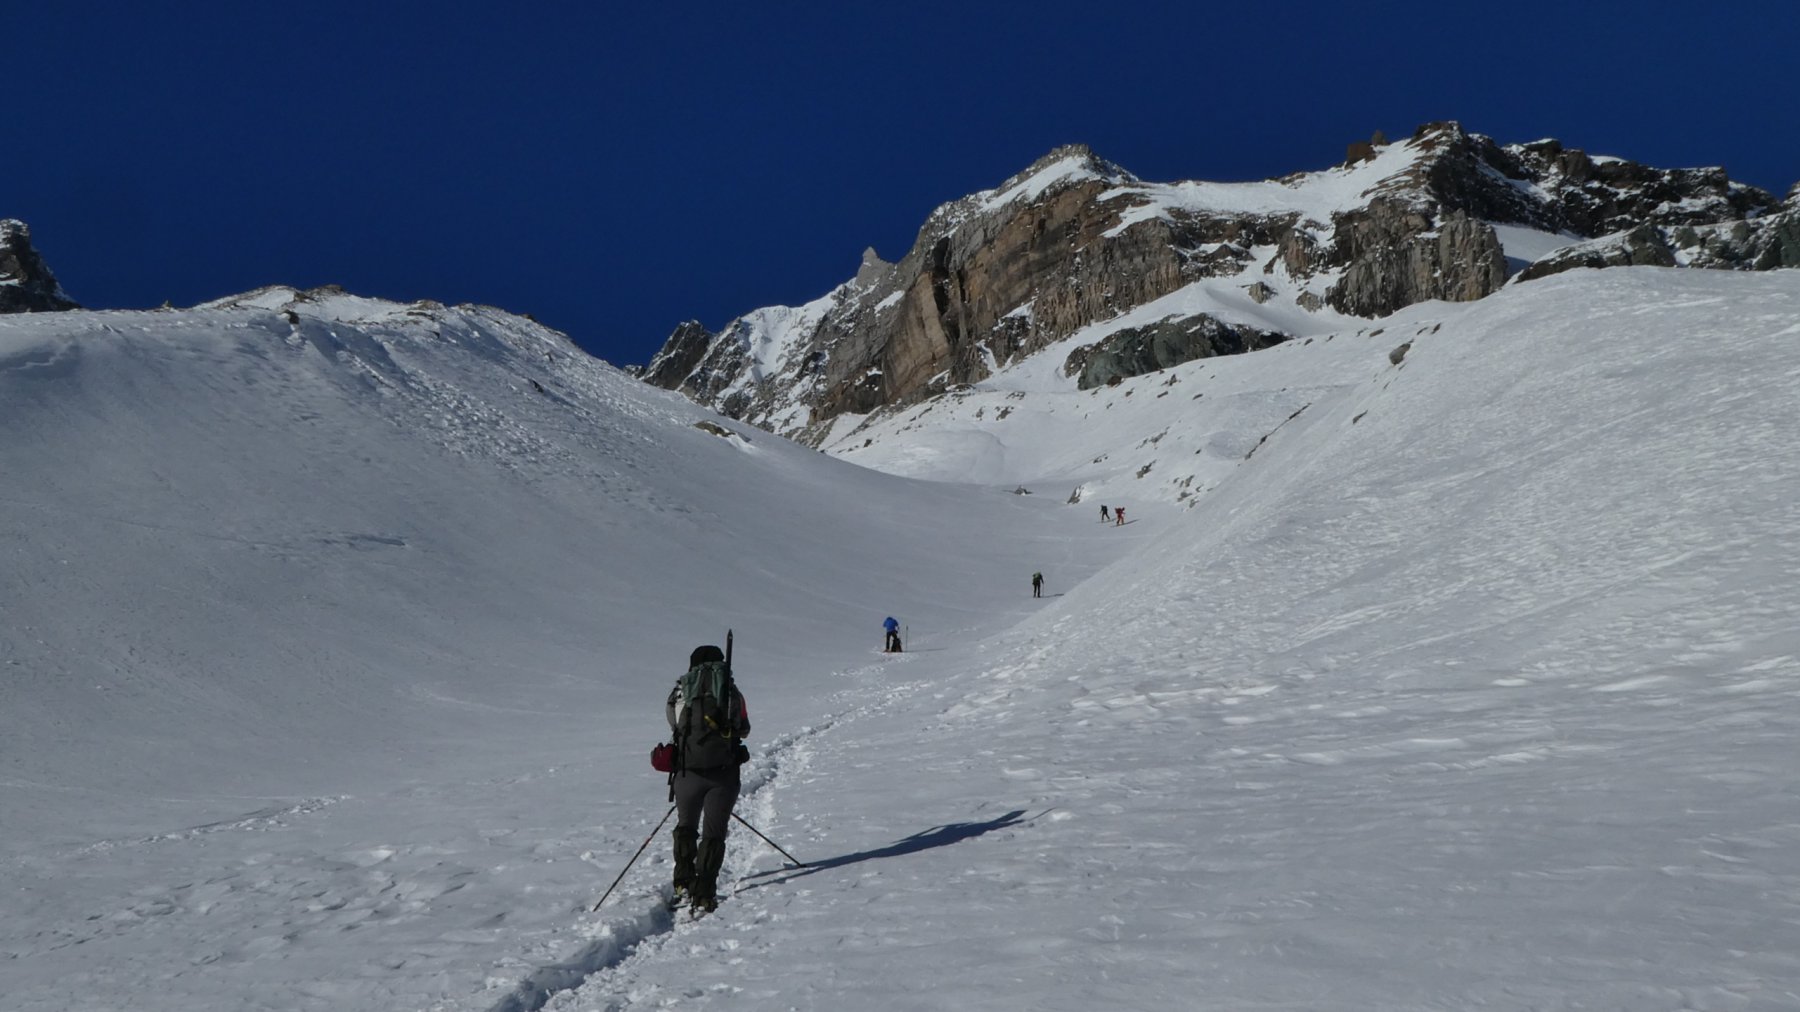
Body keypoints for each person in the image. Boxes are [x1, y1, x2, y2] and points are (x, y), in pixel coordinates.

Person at [666, 644, 751, 913]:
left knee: (686, 827)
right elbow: (744, 729)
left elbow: (673, 725)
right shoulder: (730, 691)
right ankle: (704, 893)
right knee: (714, 834)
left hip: (686, 772)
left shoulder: (680, 691)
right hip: (723, 774)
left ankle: (682, 884)